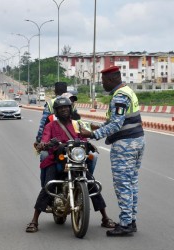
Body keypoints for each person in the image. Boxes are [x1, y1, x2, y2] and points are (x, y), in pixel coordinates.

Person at [26, 97, 115, 233]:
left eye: (66, 107)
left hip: (76, 161)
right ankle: (34, 220)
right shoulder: (50, 126)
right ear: (56, 111)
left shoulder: (77, 124)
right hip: (56, 160)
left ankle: (105, 217)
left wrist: (88, 143)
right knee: (48, 185)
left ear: (70, 109)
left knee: (91, 183)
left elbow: (84, 138)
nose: (64, 110)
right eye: (60, 108)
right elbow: (44, 139)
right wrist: (45, 144)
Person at [79, 66, 145, 237]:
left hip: (125, 144)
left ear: (113, 78)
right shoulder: (127, 91)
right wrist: (98, 125)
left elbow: (116, 125)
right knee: (131, 183)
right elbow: (119, 121)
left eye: (104, 81)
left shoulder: (120, 96)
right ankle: (130, 220)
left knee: (123, 184)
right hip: (136, 141)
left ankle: (125, 224)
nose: (103, 84)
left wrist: (93, 134)